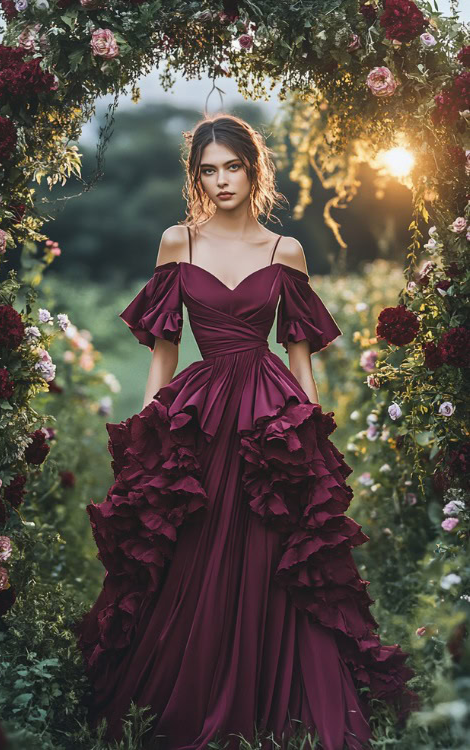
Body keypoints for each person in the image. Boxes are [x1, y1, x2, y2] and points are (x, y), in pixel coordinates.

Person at [75, 114, 418, 750]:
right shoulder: (178, 242)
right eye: (209, 169)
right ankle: (186, 693)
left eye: (233, 166)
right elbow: (162, 353)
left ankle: (275, 696)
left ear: (253, 170)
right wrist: (145, 438)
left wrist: (312, 442)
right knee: (192, 545)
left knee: (272, 547)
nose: (221, 179)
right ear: (195, 176)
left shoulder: (284, 251)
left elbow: (300, 358)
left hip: (268, 413)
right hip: (202, 410)